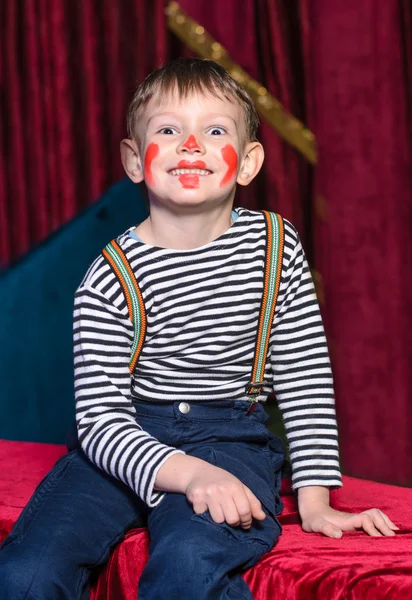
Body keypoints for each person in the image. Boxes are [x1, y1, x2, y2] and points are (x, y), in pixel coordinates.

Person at [0, 57, 397, 600]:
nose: (191, 145)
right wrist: (185, 473)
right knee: (25, 572)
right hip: (124, 442)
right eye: (169, 130)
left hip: (230, 439)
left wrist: (315, 498)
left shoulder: (277, 250)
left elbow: (305, 378)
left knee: (188, 565)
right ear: (136, 160)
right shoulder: (108, 276)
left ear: (249, 162)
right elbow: (99, 422)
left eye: (214, 131)